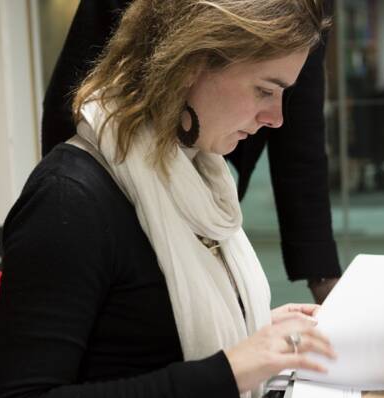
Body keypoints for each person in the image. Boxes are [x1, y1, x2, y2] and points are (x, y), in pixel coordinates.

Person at [0, 1, 338, 397]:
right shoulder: (69, 199)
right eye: (264, 90)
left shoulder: (196, 174)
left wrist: (251, 327)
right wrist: (230, 370)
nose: (276, 118)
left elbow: (145, 337)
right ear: (190, 63)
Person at [41, 0, 341, 303]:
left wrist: (322, 275)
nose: (276, 119)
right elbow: (75, 83)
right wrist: (75, 203)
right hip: (124, 141)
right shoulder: (67, 193)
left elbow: (300, 131)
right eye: (264, 91)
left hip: (206, 147)